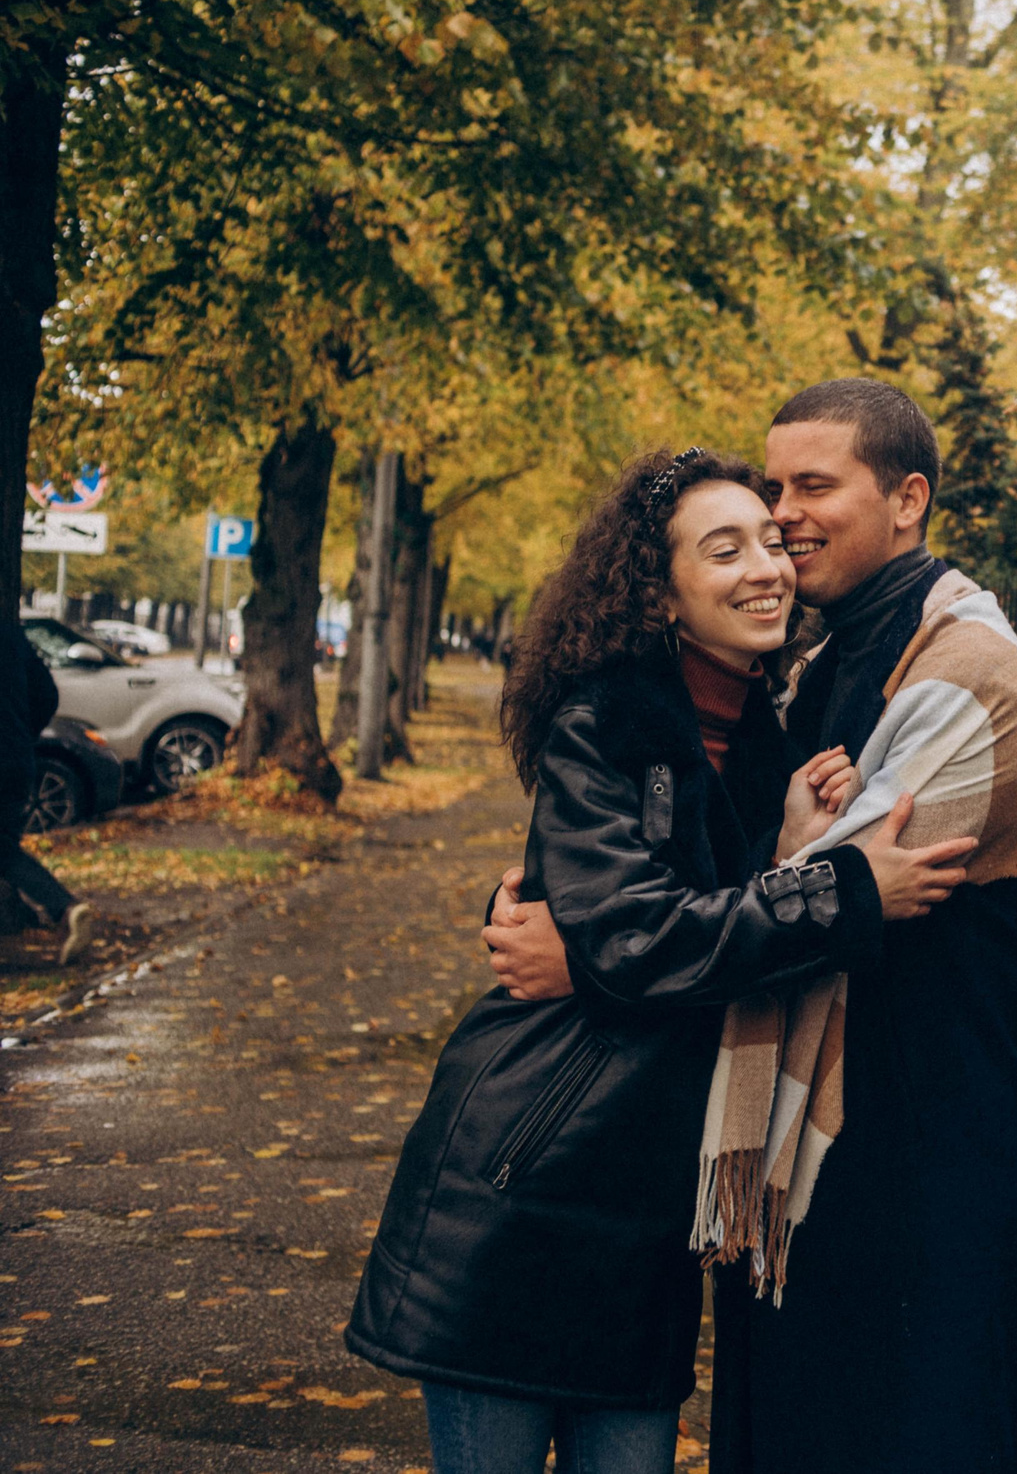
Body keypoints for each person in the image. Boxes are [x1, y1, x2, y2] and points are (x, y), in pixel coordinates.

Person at [348, 448, 978, 1474]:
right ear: (663, 594)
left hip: (647, 1236)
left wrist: (779, 854)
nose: (765, 566)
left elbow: (677, 931)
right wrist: (844, 889)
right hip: (526, 1190)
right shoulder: (608, 721)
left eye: (771, 542)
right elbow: (644, 938)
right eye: (723, 550)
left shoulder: (773, 733)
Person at [485, 381, 1017, 1473]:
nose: (784, 515)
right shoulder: (807, 671)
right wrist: (576, 910)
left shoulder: (969, 679)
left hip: (914, 1156)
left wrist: (592, 955)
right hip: (804, 1165)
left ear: (907, 499)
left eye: (811, 487)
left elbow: (832, 892)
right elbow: (710, 878)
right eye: (769, 488)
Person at [0, 617, 89, 964]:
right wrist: (20, 735)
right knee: (3, 848)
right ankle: (65, 909)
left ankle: (63, 906)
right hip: (17, 758)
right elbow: (46, 694)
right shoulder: (8, 631)